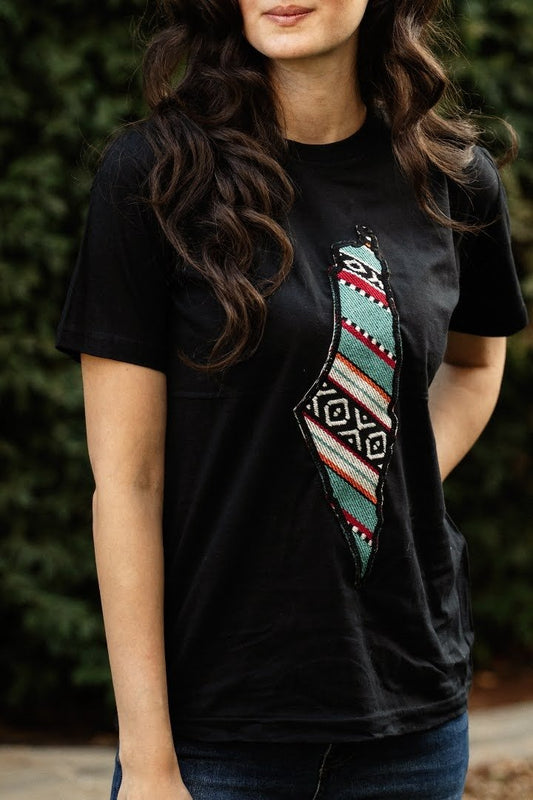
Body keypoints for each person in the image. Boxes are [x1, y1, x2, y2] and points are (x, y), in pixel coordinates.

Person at [56, 1, 528, 798]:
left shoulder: (454, 177)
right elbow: (128, 485)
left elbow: (477, 364)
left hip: (409, 723)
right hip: (215, 737)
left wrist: (373, 474)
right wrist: (148, 761)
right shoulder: (155, 175)